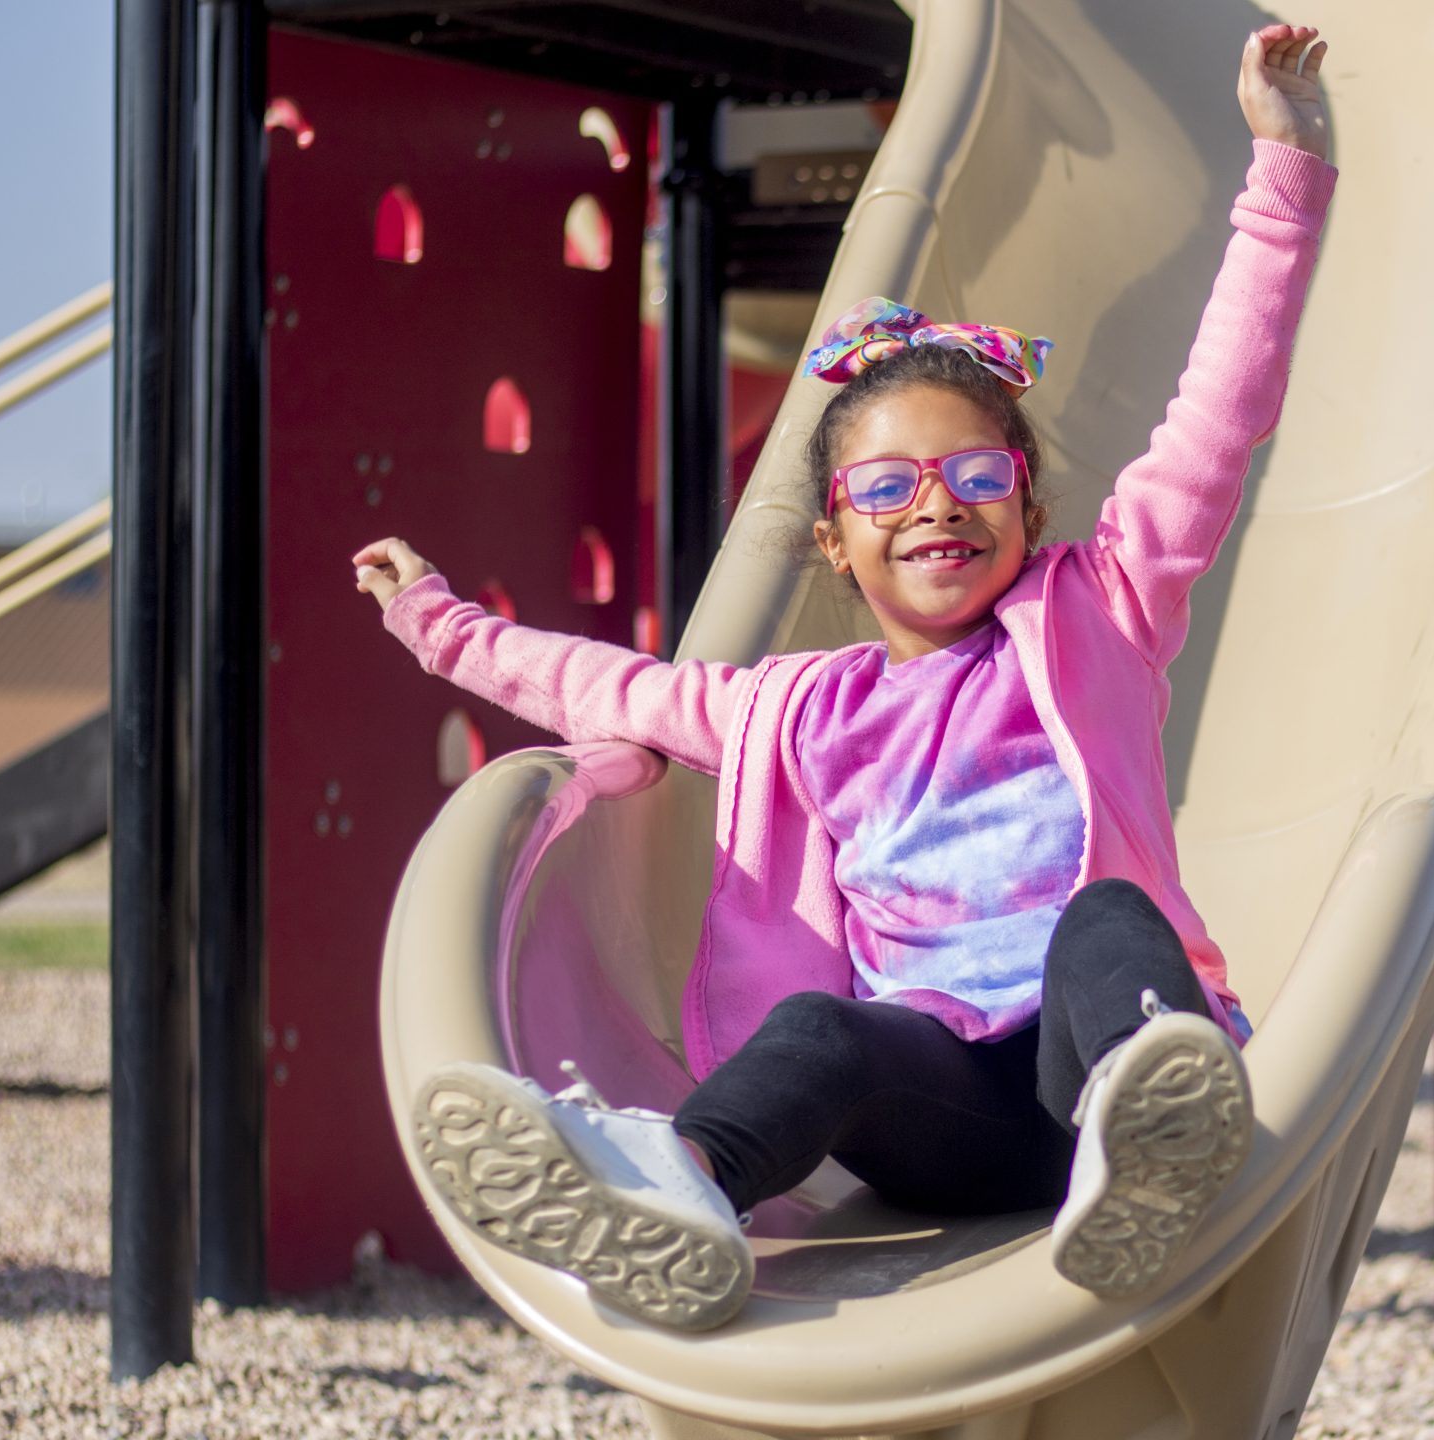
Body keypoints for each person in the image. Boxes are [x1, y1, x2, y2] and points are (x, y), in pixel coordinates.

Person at [353, 24, 1336, 1331]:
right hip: (936, 1108)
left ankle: (1149, 1141)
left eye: (978, 476)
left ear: (1028, 505)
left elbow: (1221, 412)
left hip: (1089, 1068)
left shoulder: (1100, 608)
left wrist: (1285, 169)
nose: (939, 507)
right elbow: (603, 687)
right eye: (889, 486)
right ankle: (681, 1188)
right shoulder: (793, 706)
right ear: (834, 534)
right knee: (819, 1031)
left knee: (1109, 922)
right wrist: (438, 623)